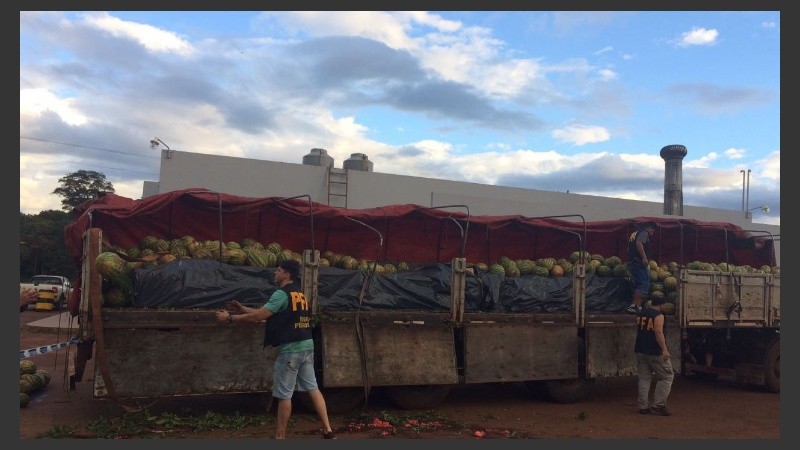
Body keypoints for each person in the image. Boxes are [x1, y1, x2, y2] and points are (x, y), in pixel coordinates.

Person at [216, 259, 336, 439]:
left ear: (286, 274)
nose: (274, 273)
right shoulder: (299, 293)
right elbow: (267, 311)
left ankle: (280, 437)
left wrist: (230, 318)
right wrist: (242, 309)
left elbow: (260, 316)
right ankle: (328, 430)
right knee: (313, 388)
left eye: (278, 270)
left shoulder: (281, 294)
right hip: (306, 346)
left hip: (291, 350)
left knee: (284, 395)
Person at [634, 294, 674, 416]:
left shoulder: (641, 313)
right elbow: (658, 332)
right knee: (667, 376)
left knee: (644, 378)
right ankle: (658, 405)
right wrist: (664, 350)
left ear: (651, 303)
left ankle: (643, 406)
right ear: (662, 305)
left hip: (641, 349)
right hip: (654, 351)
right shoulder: (659, 315)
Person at [626, 221, 656, 313]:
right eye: (653, 230)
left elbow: (628, 248)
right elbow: (639, 243)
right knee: (643, 284)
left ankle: (636, 305)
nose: (652, 233)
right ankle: (635, 305)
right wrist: (644, 258)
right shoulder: (643, 233)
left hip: (633, 262)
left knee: (640, 284)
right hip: (638, 263)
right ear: (649, 227)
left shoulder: (634, 233)